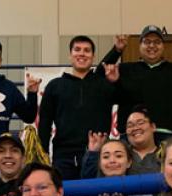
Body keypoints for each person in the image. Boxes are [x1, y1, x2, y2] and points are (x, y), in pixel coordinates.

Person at [99, 25, 172, 142]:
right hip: (131, 136)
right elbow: (99, 75)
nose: (152, 46)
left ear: (163, 46)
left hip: (167, 137)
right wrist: (116, 50)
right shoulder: (124, 70)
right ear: (139, 45)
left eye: (157, 42)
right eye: (147, 42)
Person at [39, 36, 115, 180]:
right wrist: (43, 154)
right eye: (77, 49)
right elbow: (45, 122)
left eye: (87, 50)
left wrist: (115, 82)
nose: (82, 53)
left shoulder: (105, 85)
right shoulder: (55, 86)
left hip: (100, 153)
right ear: (70, 55)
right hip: (64, 156)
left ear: (93, 56)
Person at [76, 139, 154, 196]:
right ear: (99, 163)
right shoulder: (86, 190)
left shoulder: (143, 191)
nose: (112, 160)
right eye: (106, 157)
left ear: (129, 162)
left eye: (119, 156)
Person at [81, 105, 161, 179]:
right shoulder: (117, 152)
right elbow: (88, 180)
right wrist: (93, 153)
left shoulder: (166, 153)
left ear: (153, 127)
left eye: (140, 123)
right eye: (130, 126)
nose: (135, 128)